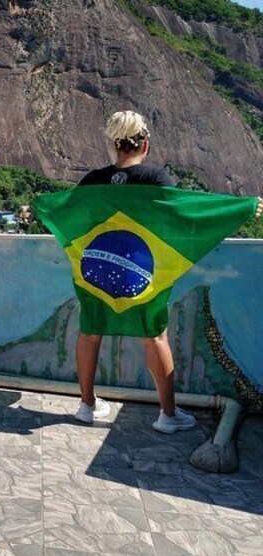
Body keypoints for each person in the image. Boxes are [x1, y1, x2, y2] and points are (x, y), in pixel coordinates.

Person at [73, 111, 263, 432]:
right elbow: (187, 215)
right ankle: (168, 416)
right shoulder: (154, 180)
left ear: (114, 144)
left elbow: (70, 216)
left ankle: (87, 406)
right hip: (142, 274)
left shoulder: (93, 181)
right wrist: (240, 208)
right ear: (144, 144)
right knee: (155, 337)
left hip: (95, 271)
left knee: (90, 332)